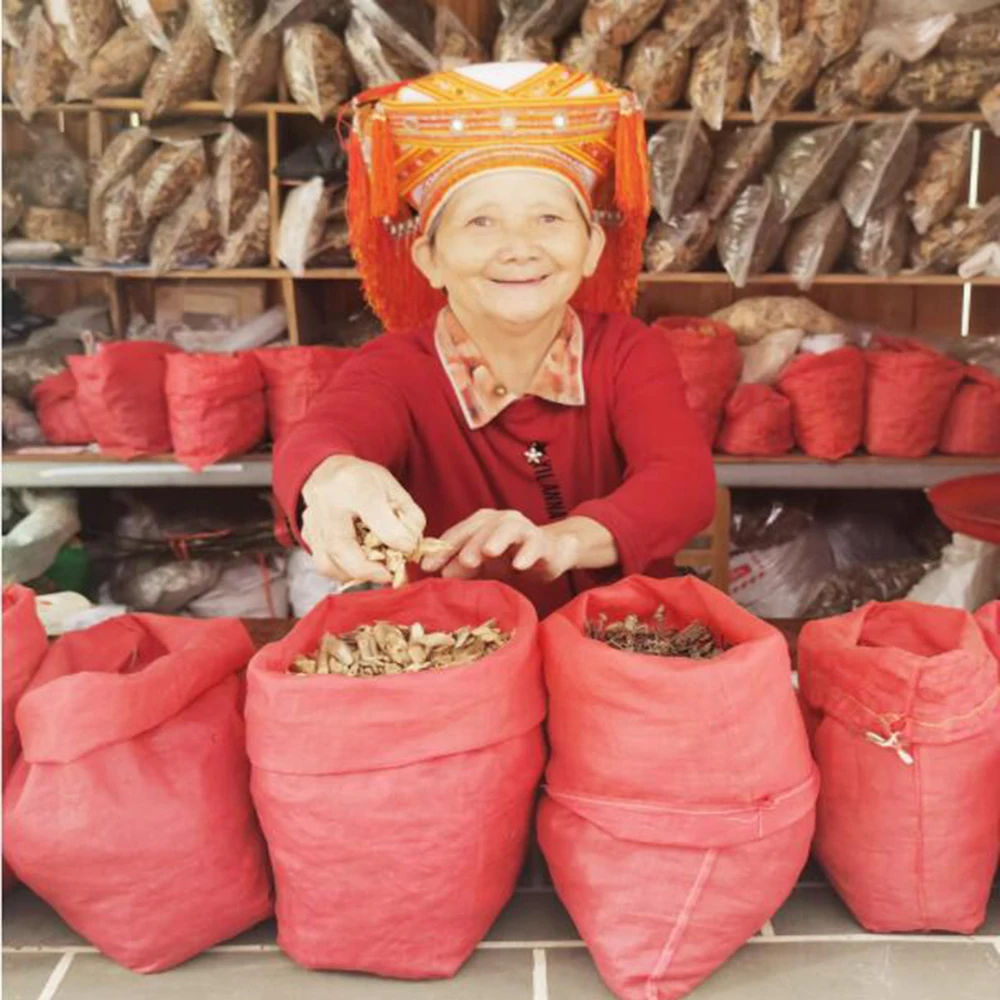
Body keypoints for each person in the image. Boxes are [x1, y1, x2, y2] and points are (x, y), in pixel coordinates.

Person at [273, 61, 715, 617]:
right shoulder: (395, 368)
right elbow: (325, 433)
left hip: (621, 649)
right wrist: (332, 474)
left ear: (592, 249)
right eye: (481, 222)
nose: (519, 247)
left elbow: (683, 482)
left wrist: (562, 540)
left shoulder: (628, 351)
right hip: (455, 660)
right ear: (428, 259)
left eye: (549, 219)